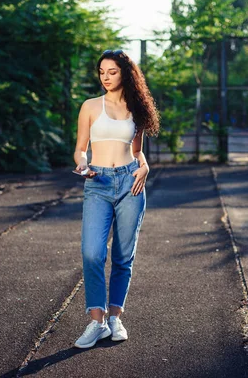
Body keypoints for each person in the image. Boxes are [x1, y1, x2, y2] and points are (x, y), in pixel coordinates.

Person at [72, 49, 160, 349]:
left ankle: (114, 317)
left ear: (125, 73)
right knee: (92, 253)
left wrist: (144, 166)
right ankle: (96, 321)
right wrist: (83, 164)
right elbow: (80, 149)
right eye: (101, 72)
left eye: (112, 71)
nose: (106, 77)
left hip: (130, 184)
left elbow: (137, 152)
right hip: (97, 183)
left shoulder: (137, 109)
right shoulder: (90, 107)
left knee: (123, 256)